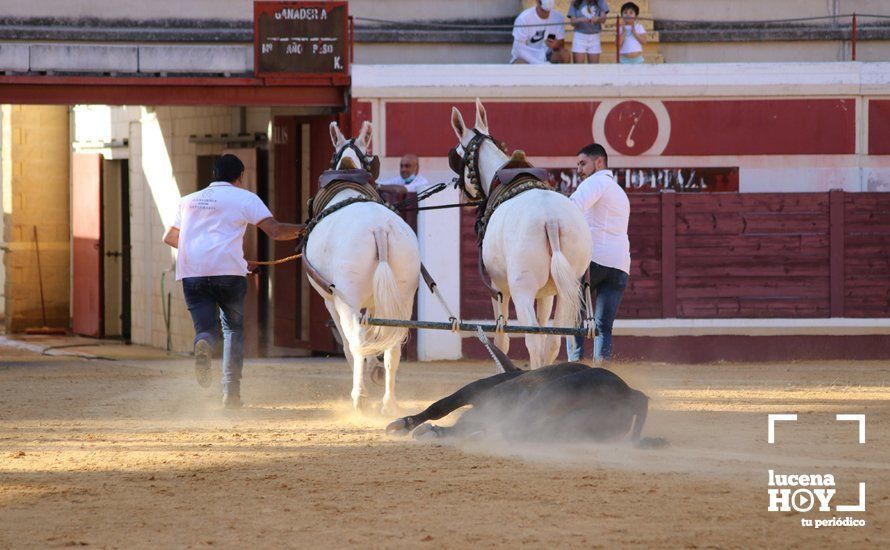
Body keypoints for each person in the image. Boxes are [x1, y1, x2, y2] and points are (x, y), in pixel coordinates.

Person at [162, 154, 303, 409]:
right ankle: (231, 394)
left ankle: (202, 342)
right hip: (229, 274)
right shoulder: (245, 198)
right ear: (240, 177)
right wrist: (307, 228)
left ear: (213, 175)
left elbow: (170, 237)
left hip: (193, 274)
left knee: (206, 329)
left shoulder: (188, 201)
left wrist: (202, 250)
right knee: (233, 331)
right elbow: (276, 230)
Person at [567, 143, 631, 363]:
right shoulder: (619, 192)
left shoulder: (595, 182)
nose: (579, 169)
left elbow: (571, 207)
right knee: (604, 326)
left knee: (572, 315)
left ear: (599, 162)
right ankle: (602, 377)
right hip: (621, 266)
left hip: (593, 261)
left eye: (583, 163)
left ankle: (574, 367)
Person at [511, 0, 569, 65]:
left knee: (565, 55)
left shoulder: (558, 17)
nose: (546, 13)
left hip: (547, 56)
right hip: (527, 56)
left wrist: (556, 44)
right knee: (520, 63)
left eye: (548, 11)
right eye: (543, 10)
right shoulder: (524, 18)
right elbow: (519, 49)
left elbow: (561, 44)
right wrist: (538, 63)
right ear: (537, 2)